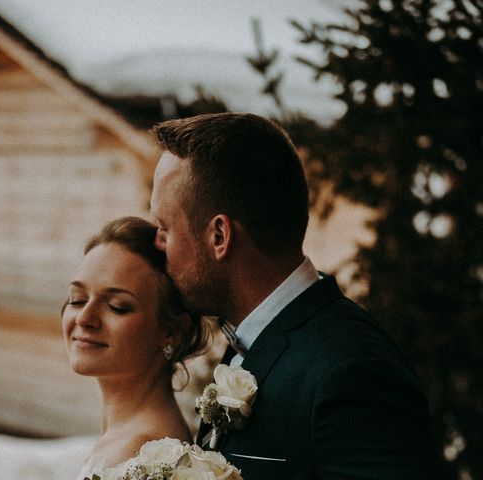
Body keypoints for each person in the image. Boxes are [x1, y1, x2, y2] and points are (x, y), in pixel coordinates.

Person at [149, 112, 444, 479]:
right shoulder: (251, 344)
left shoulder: (351, 371)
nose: (158, 243)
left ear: (220, 237)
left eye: (165, 227)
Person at [62, 216, 209, 478]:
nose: (84, 317)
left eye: (118, 306)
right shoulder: (124, 436)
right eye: (77, 299)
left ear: (172, 331)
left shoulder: (141, 454)